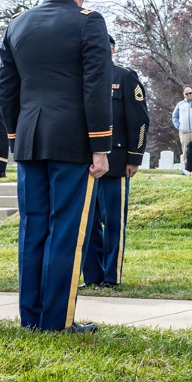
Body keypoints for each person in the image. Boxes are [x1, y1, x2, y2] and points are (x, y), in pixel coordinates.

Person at [0, 0, 112, 333]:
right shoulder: (88, 21)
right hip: (73, 141)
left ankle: (30, 317)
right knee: (65, 228)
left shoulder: (18, 24)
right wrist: (100, 145)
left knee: (32, 228)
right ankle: (56, 321)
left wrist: (16, 136)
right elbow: (96, 87)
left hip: (30, 140)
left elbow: (6, 88)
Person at [82, 35, 150, 289]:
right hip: (85, 162)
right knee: (87, 222)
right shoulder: (81, 76)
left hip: (117, 160)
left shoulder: (124, 77)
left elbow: (140, 121)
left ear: (111, 50)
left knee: (112, 223)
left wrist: (134, 157)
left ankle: (111, 276)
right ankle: (92, 275)